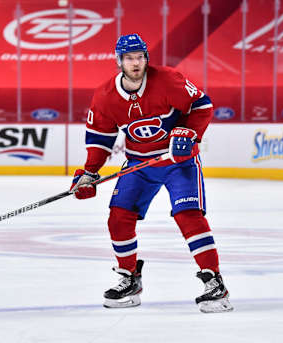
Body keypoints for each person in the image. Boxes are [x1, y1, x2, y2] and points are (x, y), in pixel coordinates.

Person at [70, 33, 233, 313]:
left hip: (177, 162)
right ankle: (129, 278)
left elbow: (202, 106)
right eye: (129, 58)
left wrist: (190, 134)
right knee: (118, 218)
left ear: (146, 58)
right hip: (139, 164)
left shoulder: (168, 80)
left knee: (188, 215)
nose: (136, 63)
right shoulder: (105, 96)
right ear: (119, 60)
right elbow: (99, 138)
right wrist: (89, 173)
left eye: (140, 57)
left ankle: (214, 282)